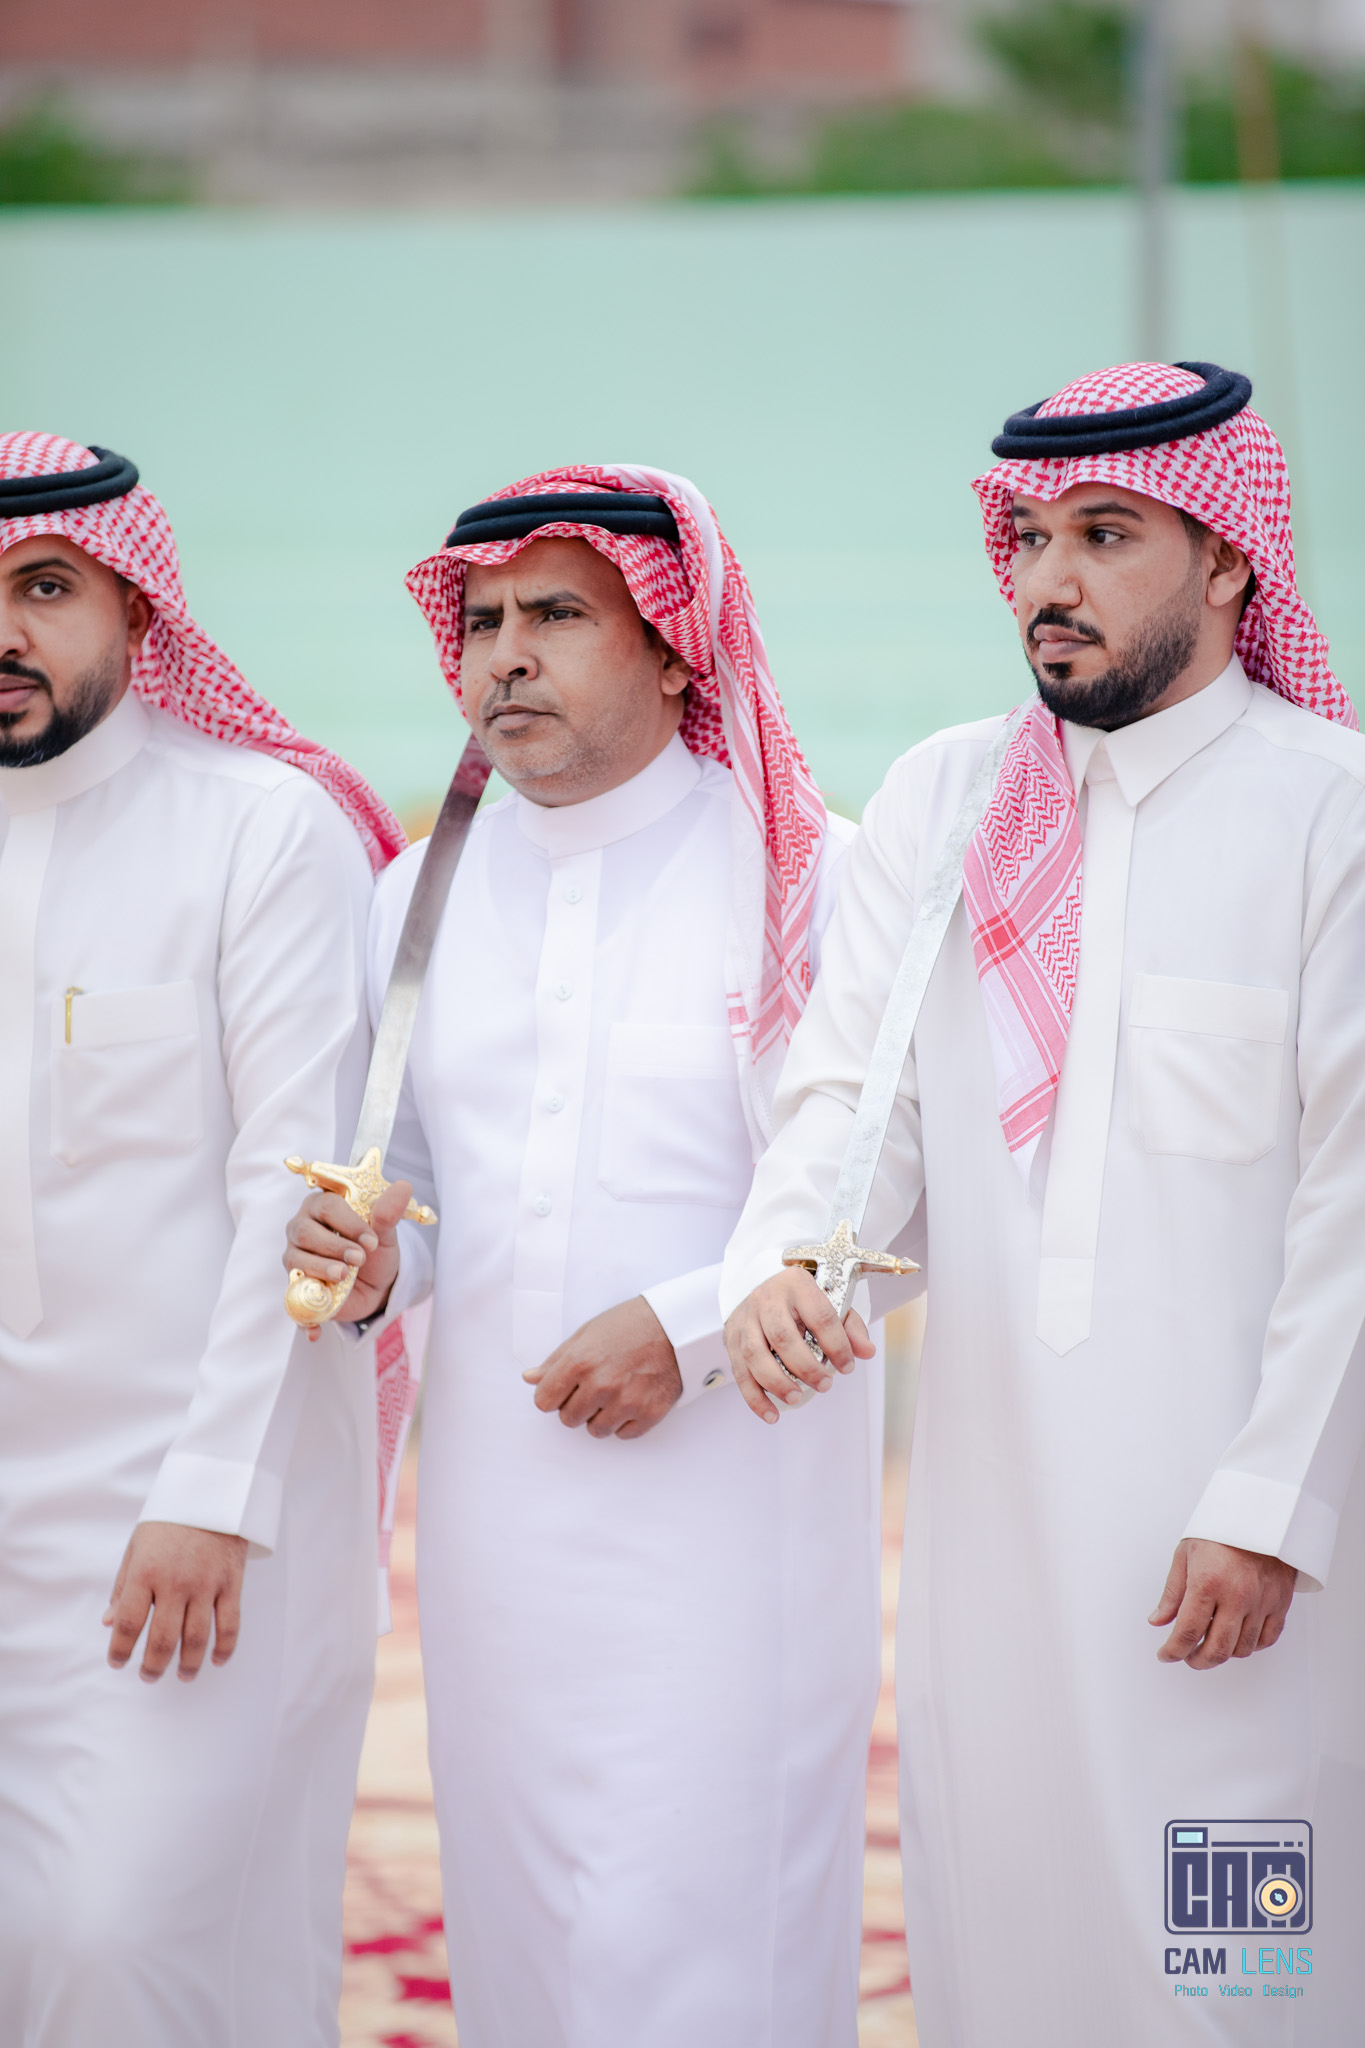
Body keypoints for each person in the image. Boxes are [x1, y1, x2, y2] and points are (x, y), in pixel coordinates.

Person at [720, 363, 1365, 2044]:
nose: (1046, 580)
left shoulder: (1331, 811)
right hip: (989, 1541)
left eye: (1103, 534)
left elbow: (1353, 1204)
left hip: (1235, 1558)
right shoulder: (946, 798)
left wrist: (1271, 1504)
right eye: (1024, 538)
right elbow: (854, 1096)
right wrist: (787, 1258)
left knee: (1236, 1974)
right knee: (1005, 1957)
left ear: (1225, 557)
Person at [285, 466, 889, 2048]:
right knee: (530, 1939)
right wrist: (370, 1270)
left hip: (734, 1529)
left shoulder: (808, 871)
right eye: (481, 620)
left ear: (678, 648)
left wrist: (686, 1331)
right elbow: (415, 1186)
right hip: (493, 1530)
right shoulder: (416, 893)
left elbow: (885, 1194)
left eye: (555, 614)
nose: (504, 655)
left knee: (689, 1952)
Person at [0, 432, 402, 2047]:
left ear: (138, 606)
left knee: (121, 1947)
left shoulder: (258, 829)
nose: (5, 630)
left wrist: (212, 1490)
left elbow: (290, 1198)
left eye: (44, 587)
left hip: (182, 1518)